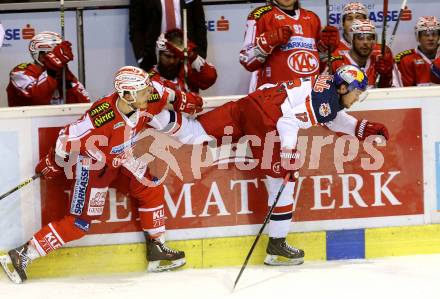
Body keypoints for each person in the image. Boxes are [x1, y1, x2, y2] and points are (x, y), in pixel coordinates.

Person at [149, 64, 389, 266]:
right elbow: (288, 122)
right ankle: (277, 246)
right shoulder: (325, 100)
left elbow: (332, 118)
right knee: (284, 180)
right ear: (343, 87)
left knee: (197, 133)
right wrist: (288, 152)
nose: (358, 98)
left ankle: (149, 113)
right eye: (357, 92)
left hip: (252, 104)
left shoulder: (328, 88)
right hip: (267, 120)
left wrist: (362, 128)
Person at [0, 66, 204, 284]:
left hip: (123, 156)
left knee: (150, 186)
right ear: (127, 95)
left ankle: (157, 249)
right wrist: (54, 162)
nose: (148, 94)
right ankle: (23, 253)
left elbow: (165, 92)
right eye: (143, 92)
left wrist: (185, 99)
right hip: (95, 165)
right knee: (79, 224)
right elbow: (65, 138)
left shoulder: (147, 93)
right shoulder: (102, 117)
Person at [239, 0, 339, 91]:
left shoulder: (312, 18)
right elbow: (246, 60)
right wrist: (266, 43)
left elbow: (320, 67)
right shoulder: (260, 15)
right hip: (274, 96)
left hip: (309, 96)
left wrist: (325, 49)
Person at [7, 31, 90, 107]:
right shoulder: (21, 72)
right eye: (53, 54)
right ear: (40, 55)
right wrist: (52, 70)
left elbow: (84, 106)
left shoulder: (62, 74)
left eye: (59, 54)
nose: (58, 58)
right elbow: (36, 100)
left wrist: (68, 83)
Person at [129, 0, 207, 72]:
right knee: (156, 87)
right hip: (153, 60)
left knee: (188, 86)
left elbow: (199, 24)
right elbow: (136, 28)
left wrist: (199, 54)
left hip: (186, 58)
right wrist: (142, 59)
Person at [148, 28, 217, 94]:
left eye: (176, 56)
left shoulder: (187, 71)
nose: (172, 61)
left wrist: (192, 55)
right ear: (158, 55)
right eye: (168, 56)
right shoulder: (150, 80)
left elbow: (209, 79)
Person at [329, 19, 394, 88]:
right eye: (360, 37)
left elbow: (386, 92)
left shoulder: (378, 61)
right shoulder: (336, 63)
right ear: (352, 40)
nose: (365, 42)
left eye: (369, 38)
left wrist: (386, 75)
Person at [394, 16, 440, 87]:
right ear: (418, 37)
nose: (431, 38)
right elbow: (403, 93)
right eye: (426, 34)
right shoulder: (405, 60)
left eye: (434, 34)